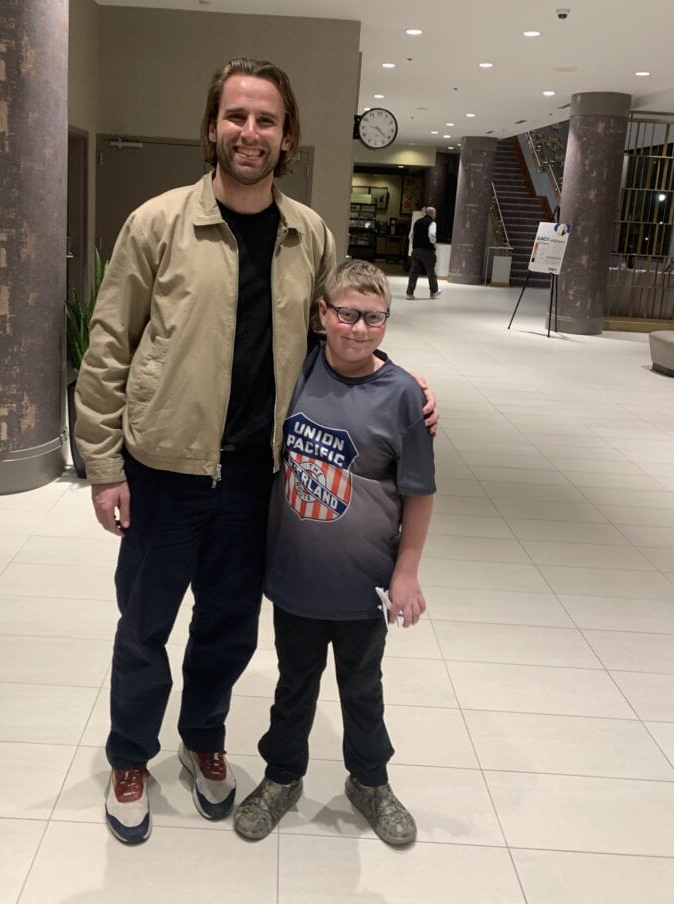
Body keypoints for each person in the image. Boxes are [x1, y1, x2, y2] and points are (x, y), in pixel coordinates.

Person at [73, 58, 438, 846]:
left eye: (265, 120)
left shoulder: (309, 234)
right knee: (144, 626)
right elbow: (108, 346)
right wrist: (103, 466)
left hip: (255, 481)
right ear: (212, 127)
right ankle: (130, 755)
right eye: (236, 116)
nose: (249, 132)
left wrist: (403, 386)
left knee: (229, 626)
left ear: (286, 136)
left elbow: (334, 340)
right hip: (162, 472)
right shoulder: (158, 222)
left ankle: (204, 738)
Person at [233, 259, 435, 847]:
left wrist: (407, 573)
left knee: (361, 687)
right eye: (346, 314)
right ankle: (282, 776)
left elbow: (419, 494)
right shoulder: (296, 370)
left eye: (374, 318)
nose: (359, 329)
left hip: (362, 582)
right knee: (293, 684)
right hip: (296, 577)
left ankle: (369, 781)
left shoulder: (402, 396)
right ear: (322, 315)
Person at [406, 205, 441, 299]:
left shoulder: (417, 222)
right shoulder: (432, 223)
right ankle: (434, 291)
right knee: (431, 272)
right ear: (433, 214)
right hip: (427, 251)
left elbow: (410, 236)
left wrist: (415, 245)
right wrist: (433, 244)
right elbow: (432, 234)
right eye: (435, 214)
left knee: (414, 273)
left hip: (416, 250)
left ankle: (410, 292)